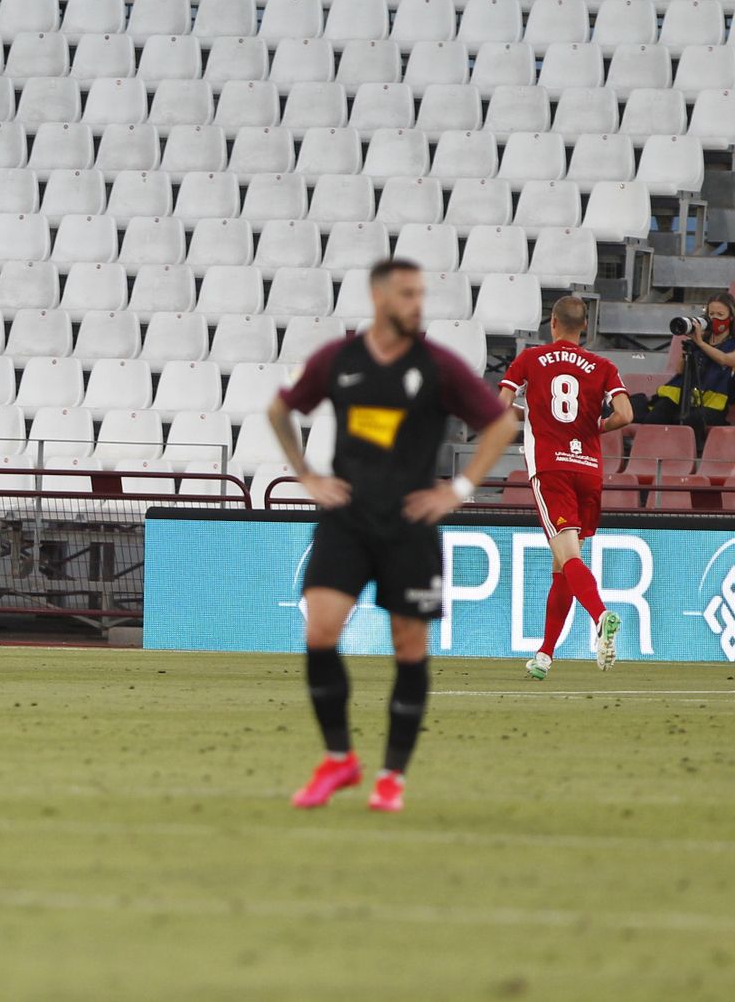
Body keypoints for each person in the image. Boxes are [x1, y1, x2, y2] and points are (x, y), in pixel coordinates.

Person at [268, 258, 520, 813]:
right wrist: (306, 476)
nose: (417, 304)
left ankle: (391, 777)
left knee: (409, 646)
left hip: (410, 524)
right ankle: (339, 760)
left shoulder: (438, 364)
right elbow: (280, 409)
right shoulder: (339, 359)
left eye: (420, 294)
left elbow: (502, 423)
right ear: (379, 297)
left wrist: (459, 489)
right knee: (321, 633)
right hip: (348, 519)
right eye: (408, 294)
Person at [498, 296, 633, 681]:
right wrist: (595, 427)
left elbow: (502, 405)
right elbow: (625, 414)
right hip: (588, 471)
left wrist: (531, 416)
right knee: (562, 564)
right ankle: (544, 655)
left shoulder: (530, 360)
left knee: (567, 557)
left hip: (552, 470)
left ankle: (601, 615)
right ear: (584, 327)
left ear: (552, 323)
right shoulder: (603, 366)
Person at [629, 293, 735, 448]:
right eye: (711, 314)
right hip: (682, 395)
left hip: (713, 402)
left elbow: (725, 360)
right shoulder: (700, 340)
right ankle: (647, 453)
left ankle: (684, 458)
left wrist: (700, 344)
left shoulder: (731, 344)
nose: (714, 319)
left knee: (691, 420)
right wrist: (691, 345)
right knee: (656, 415)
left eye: (720, 315)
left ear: (731, 317)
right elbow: (680, 370)